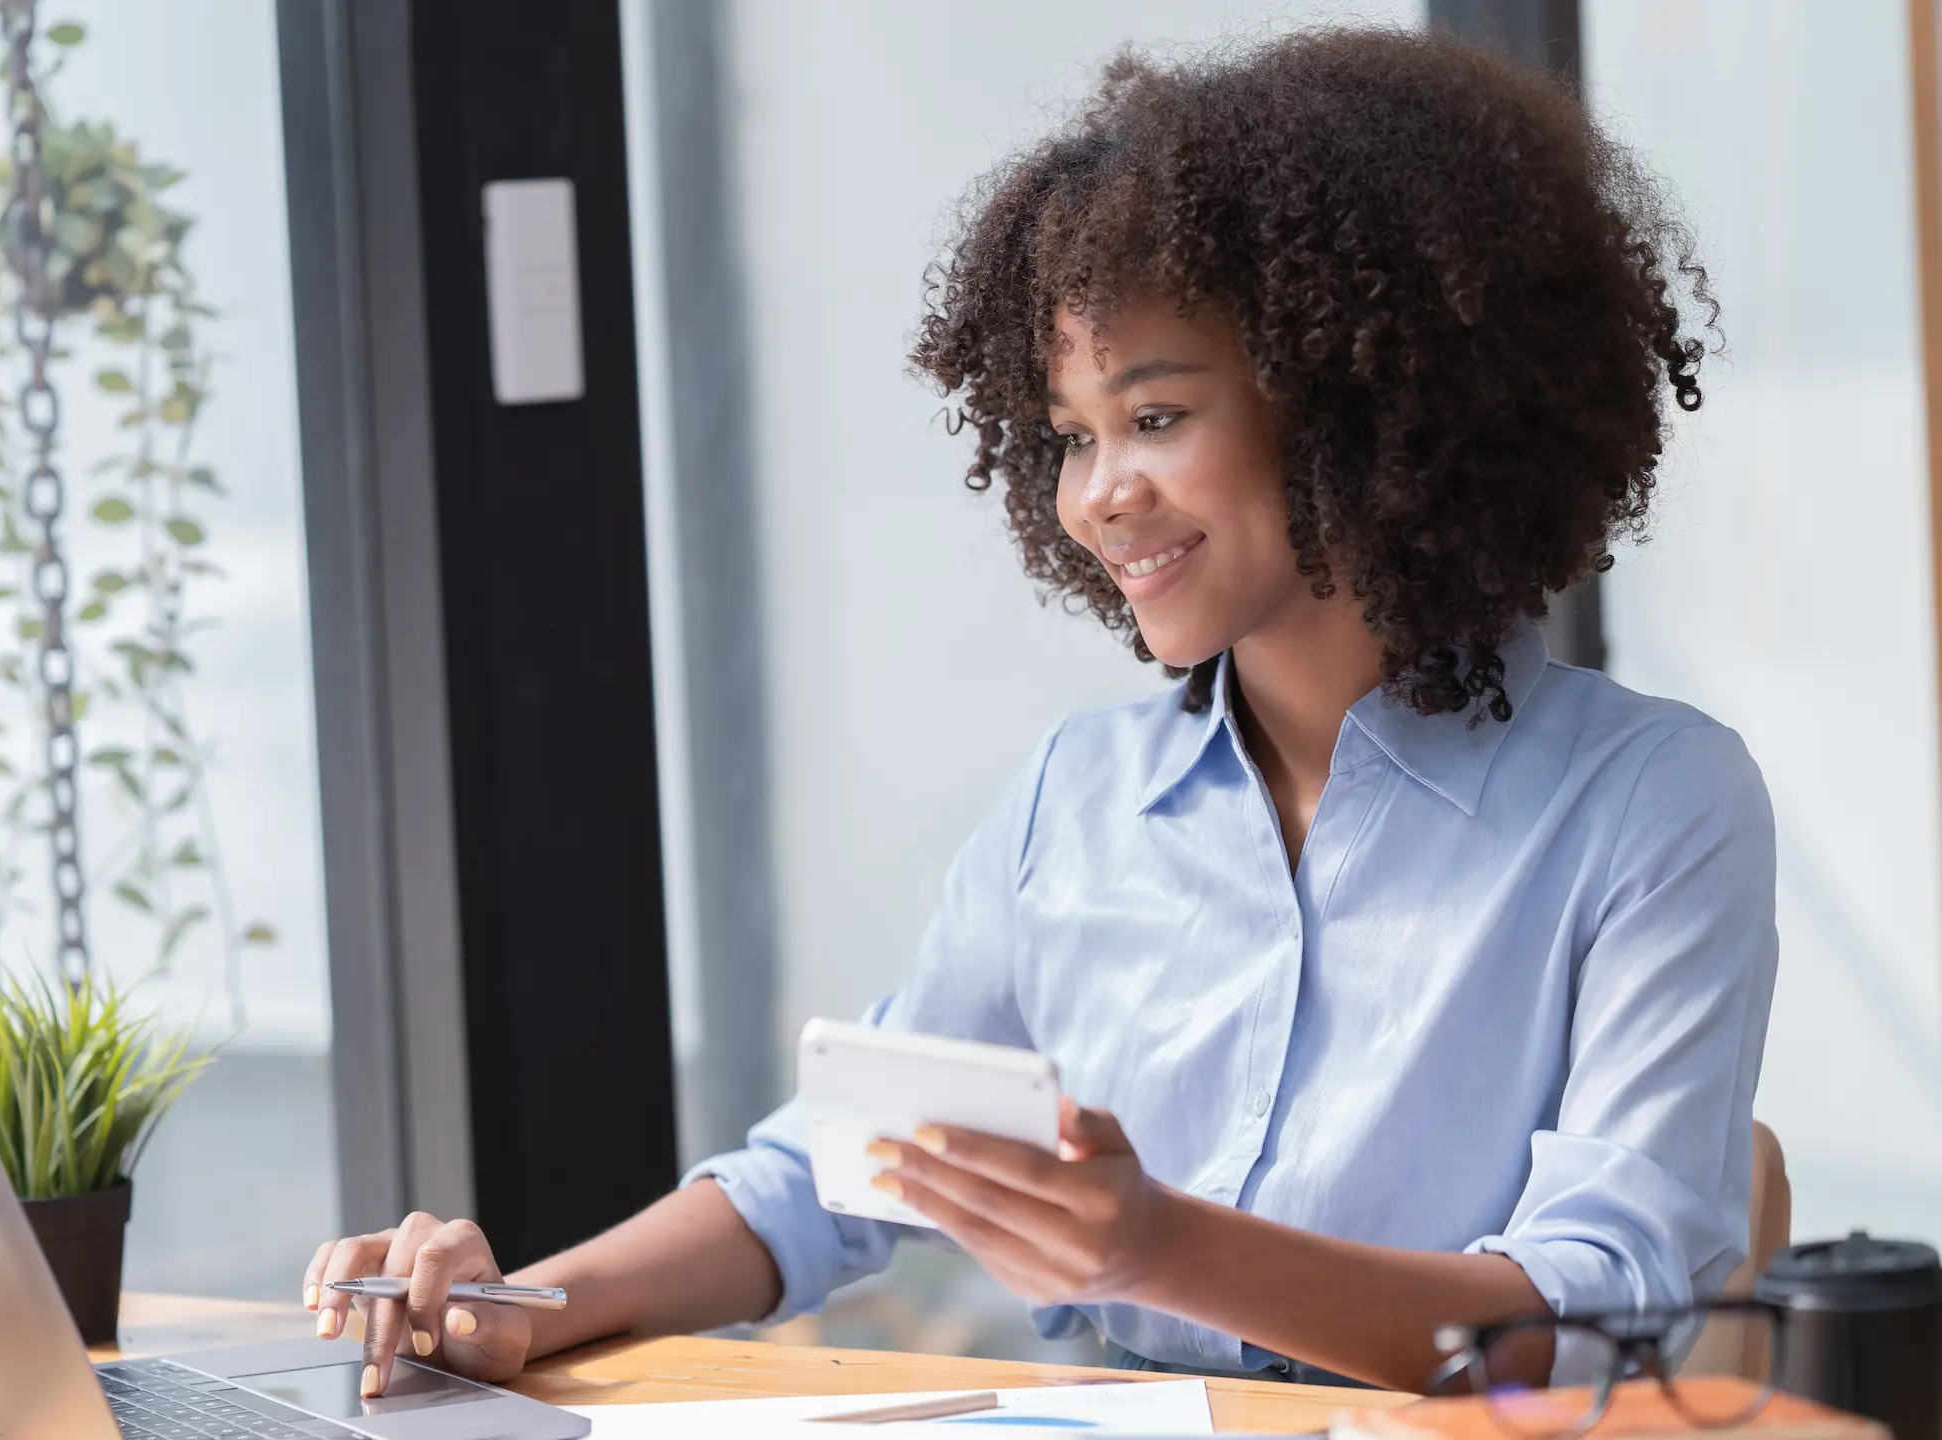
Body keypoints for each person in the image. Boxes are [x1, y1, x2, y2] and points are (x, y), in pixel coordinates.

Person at [301, 27, 1774, 1394]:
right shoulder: (1082, 797)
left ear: (1356, 403)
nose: (1099, 495)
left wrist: (1150, 1244)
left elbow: (1590, 1320)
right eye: (1068, 437)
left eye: (1155, 417)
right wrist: (516, 1310)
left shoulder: (1650, 804)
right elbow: (831, 1170)